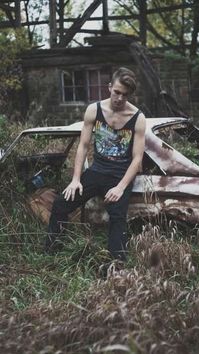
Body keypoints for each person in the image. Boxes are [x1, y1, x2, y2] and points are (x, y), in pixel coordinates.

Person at [45, 67, 146, 261]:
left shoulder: (138, 118)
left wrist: (120, 187)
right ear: (109, 87)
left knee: (117, 218)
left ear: (130, 95)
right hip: (97, 171)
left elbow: (137, 159)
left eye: (124, 95)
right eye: (116, 92)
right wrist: (75, 179)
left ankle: (117, 267)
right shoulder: (94, 110)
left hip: (120, 176)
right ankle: (52, 254)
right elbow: (83, 146)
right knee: (60, 204)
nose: (119, 98)